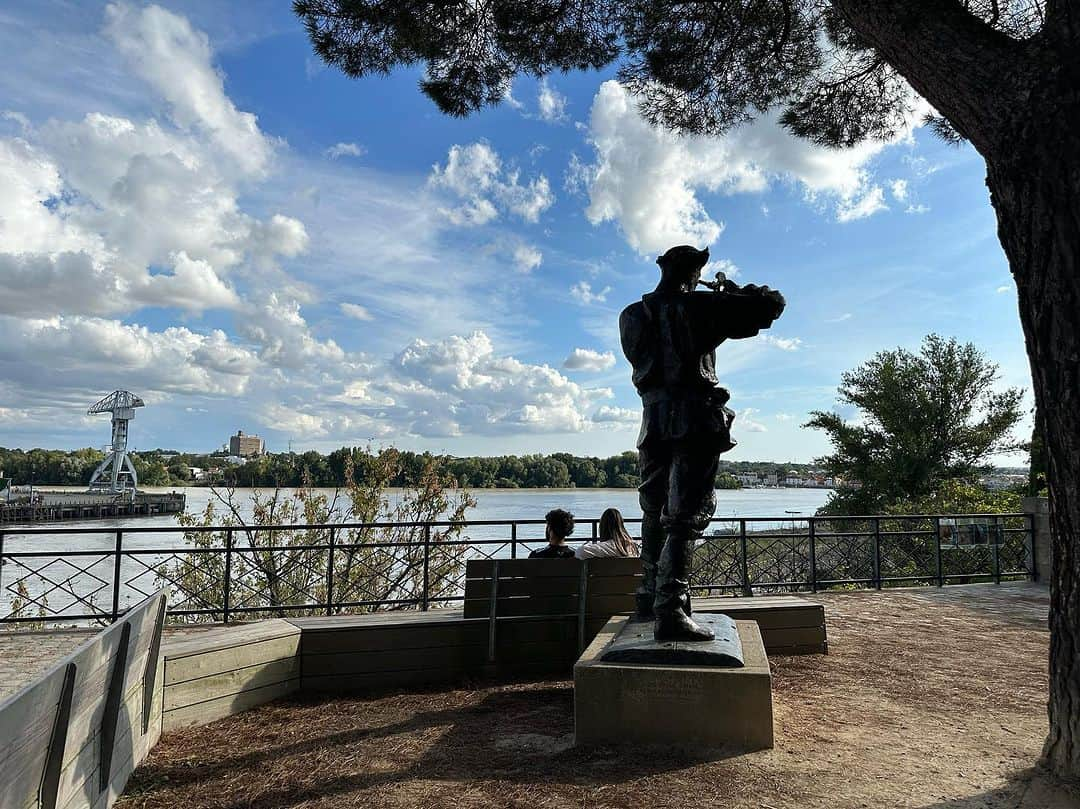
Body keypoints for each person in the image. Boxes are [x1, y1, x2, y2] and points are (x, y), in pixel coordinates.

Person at [620, 244, 785, 641]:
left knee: (654, 504)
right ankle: (671, 609)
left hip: (653, 420)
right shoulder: (697, 308)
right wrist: (732, 291)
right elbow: (772, 306)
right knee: (687, 513)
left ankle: (649, 594)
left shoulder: (630, 315)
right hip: (693, 418)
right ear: (695, 272)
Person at [576, 508, 640, 559]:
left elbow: (580, 552)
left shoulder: (608, 547)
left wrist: (586, 545)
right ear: (621, 525)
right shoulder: (633, 547)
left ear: (603, 527)